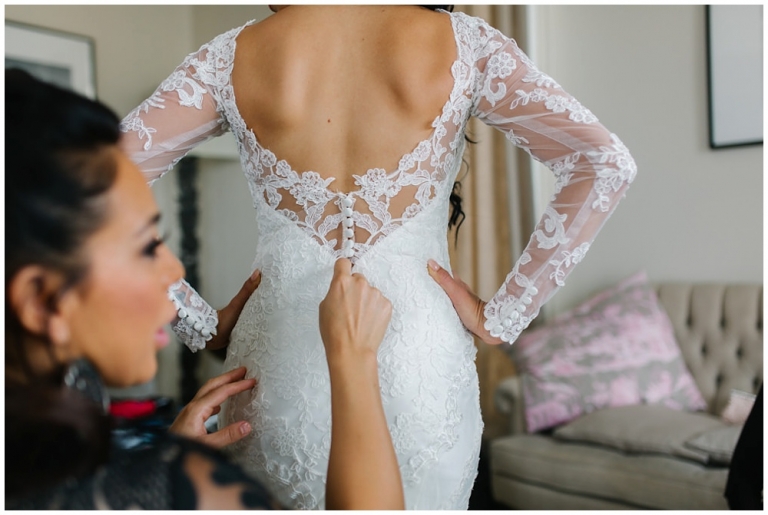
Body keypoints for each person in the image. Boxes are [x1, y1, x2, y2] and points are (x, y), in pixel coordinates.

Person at [119, 5, 637, 509]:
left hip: (272, 371)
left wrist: (198, 322)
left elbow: (93, 185)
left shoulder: (231, 55)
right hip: (422, 361)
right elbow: (603, 163)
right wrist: (503, 315)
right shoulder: (464, 43)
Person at [4, 69, 403, 510]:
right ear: (40, 300)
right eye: (148, 247)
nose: (173, 270)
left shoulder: (66, 404)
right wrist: (354, 363)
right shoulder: (182, 488)